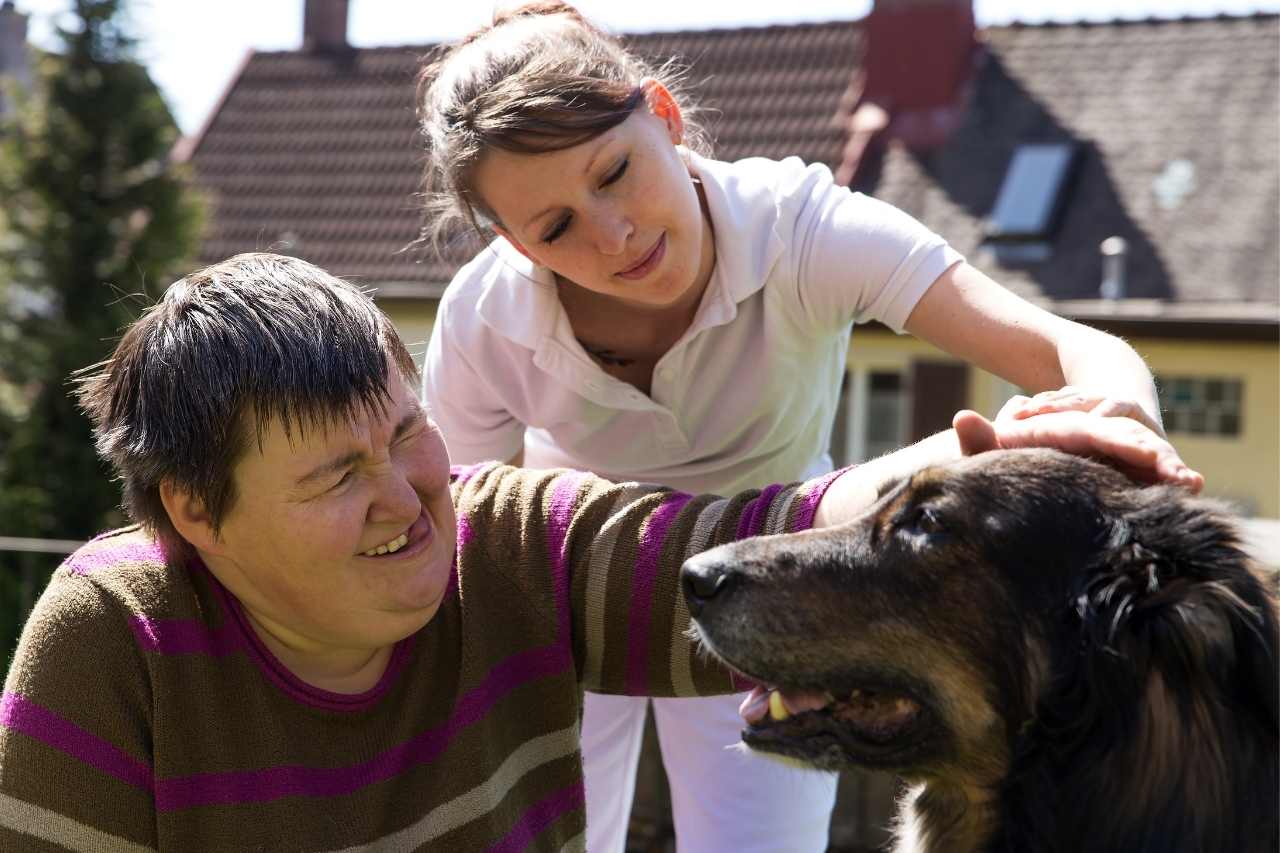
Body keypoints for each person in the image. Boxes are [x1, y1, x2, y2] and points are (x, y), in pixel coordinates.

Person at [0, 253, 1196, 852]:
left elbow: (751, 534)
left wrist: (991, 458)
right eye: (333, 474)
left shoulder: (504, 539)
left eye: (405, 433)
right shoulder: (108, 645)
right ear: (193, 514)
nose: (407, 499)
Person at [416, 4, 1187, 850]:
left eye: (614, 172)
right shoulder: (483, 317)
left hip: (775, 575)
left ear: (665, 118)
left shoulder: (802, 228)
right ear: (516, 247)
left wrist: (1123, 417)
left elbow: (1069, 349)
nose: (614, 233)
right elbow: (455, 530)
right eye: (556, 227)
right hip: (572, 592)